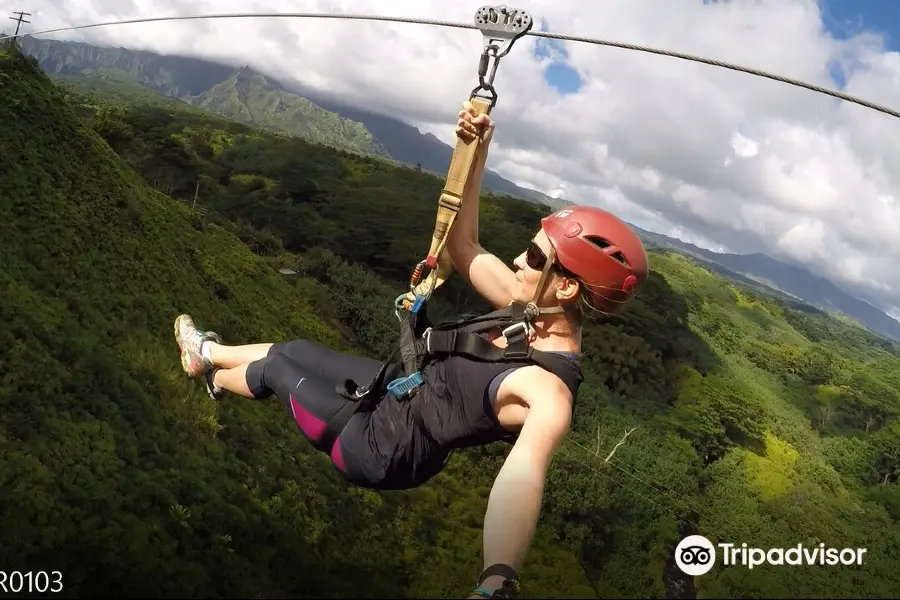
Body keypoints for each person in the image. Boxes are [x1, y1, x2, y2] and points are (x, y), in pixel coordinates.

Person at [173, 101, 649, 599]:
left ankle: (206, 367)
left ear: (567, 289)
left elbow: (523, 476)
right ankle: (209, 355)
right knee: (296, 347)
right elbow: (464, 247)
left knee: (275, 367)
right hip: (391, 391)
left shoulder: (547, 391)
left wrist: (497, 577)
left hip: (379, 448)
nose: (517, 260)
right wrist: (477, 149)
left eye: (533, 257)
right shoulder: (525, 306)